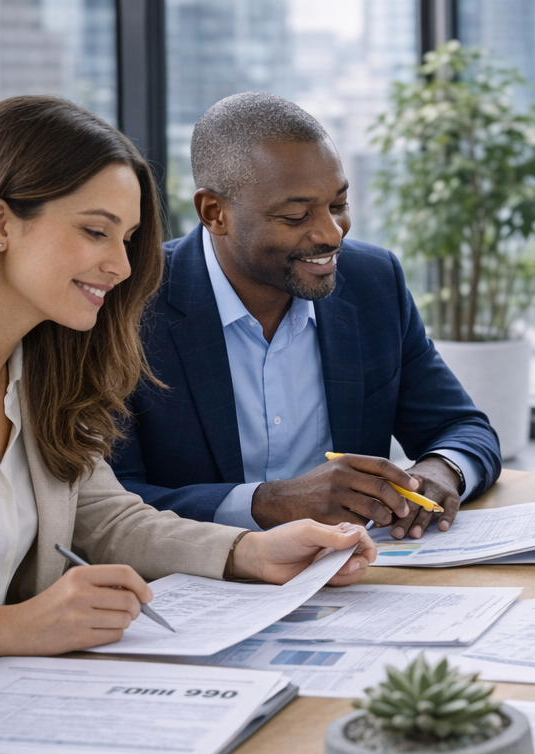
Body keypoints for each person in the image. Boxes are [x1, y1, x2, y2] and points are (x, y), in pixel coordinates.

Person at [0, 96, 375, 698]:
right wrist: (3, 629)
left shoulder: (46, 363)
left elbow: (105, 518)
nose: (121, 267)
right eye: (95, 232)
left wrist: (250, 551)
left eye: (127, 239)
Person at [110, 92, 501, 540]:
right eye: (297, 215)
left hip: (356, 579)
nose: (332, 234)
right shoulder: (129, 306)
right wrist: (268, 503)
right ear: (214, 213)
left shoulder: (374, 281)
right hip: (196, 585)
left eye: (338, 205)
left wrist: (440, 470)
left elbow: (462, 427)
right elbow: (110, 501)